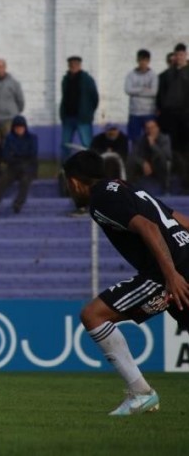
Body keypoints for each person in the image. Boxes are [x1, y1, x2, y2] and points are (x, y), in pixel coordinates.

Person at [62, 149, 189, 415]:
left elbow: (149, 228)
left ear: (74, 182)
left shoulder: (100, 200)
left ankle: (141, 394)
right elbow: (175, 217)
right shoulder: (125, 188)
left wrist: (171, 275)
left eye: (68, 184)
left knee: (93, 315)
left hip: (166, 272)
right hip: (184, 257)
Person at [0, 115, 38, 216]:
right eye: (17, 127)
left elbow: (32, 154)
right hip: (13, 167)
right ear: (13, 128)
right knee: (1, 181)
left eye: (21, 127)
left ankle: (18, 203)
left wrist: (16, 155)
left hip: (27, 167)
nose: (19, 130)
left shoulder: (32, 138)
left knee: (25, 181)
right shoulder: (9, 138)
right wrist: (20, 157)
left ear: (25, 127)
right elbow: (5, 155)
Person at [156, 44, 189, 184]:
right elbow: (161, 95)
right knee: (174, 148)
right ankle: (178, 176)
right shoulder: (167, 74)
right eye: (177, 55)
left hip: (187, 116)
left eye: (182, 55)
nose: (179, 57)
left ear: (186, 55)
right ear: (174, 56)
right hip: (171, 117)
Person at [60, 56, 99, 161]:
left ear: (80, 65)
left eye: (75, 64)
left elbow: (95, 98)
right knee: (65, 145)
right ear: (68, 66)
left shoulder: (87, 80)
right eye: (71, 64)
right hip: (68, 117)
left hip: (83, 119)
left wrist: (88, 112)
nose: (73, 66)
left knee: (87, 145)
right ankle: (65, 170)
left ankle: (90, 169)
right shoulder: (65, 80)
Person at [127, 119, 172, 195]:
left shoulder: (164, 139)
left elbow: (166, 155)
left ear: (157, 128)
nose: (150, 130)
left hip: (158, 165)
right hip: (145, 165)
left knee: (163, 160)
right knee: (130, 161)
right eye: (148, 128)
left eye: (152, 127)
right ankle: (130, 188)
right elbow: (134, 154)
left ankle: (165, 189)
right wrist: (143, 163)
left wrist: (153, 145)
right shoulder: (141, 139)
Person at [0, 59, 25, 143]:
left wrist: (13, 113)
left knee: (8, 147)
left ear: (5, 67)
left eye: (1, 67)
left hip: (9, 121)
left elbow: (20, 101)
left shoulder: (14, 83)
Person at [124, 49, 158, 143]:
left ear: (148, 61)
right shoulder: (131, 75)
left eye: (145, 60)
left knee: (150, 138)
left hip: (149, 112)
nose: (143, 63)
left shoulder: (153, 75)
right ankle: (136, 157)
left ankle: (150, 157)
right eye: (141, 60)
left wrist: (136, 91)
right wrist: (143, 89)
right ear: (137, 60)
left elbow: (154, 92)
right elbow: (127, 90)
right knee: (135, 139)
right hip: (134, 112)